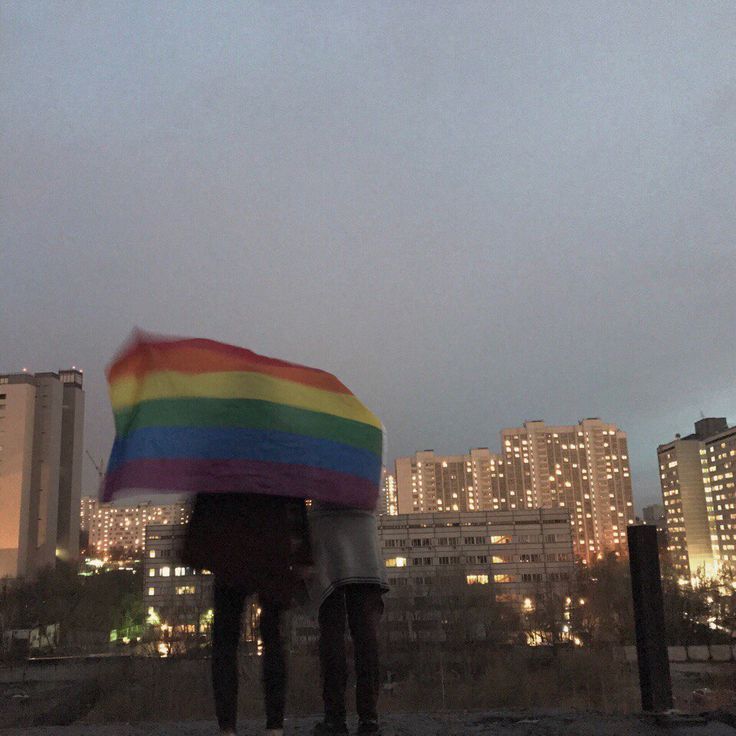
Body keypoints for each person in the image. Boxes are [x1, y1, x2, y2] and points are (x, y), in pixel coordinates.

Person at [182, 492, 311, 736]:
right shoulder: (279, 454)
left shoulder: (225, 455)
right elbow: (294, 489)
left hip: (232, 544)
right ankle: (274, 726)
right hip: (272, 544)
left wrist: (195, 544)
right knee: (272, 635)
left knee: (225, 640)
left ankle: (227, 727)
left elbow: (208, 488)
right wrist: (304, 552)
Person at [309, 501, 389, 736]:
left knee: (332, 630)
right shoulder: (366, 462)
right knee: (366, 631)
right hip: (363, 531)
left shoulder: (319, 461)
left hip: (326, 530)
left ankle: (334, 718)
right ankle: (369, 719)